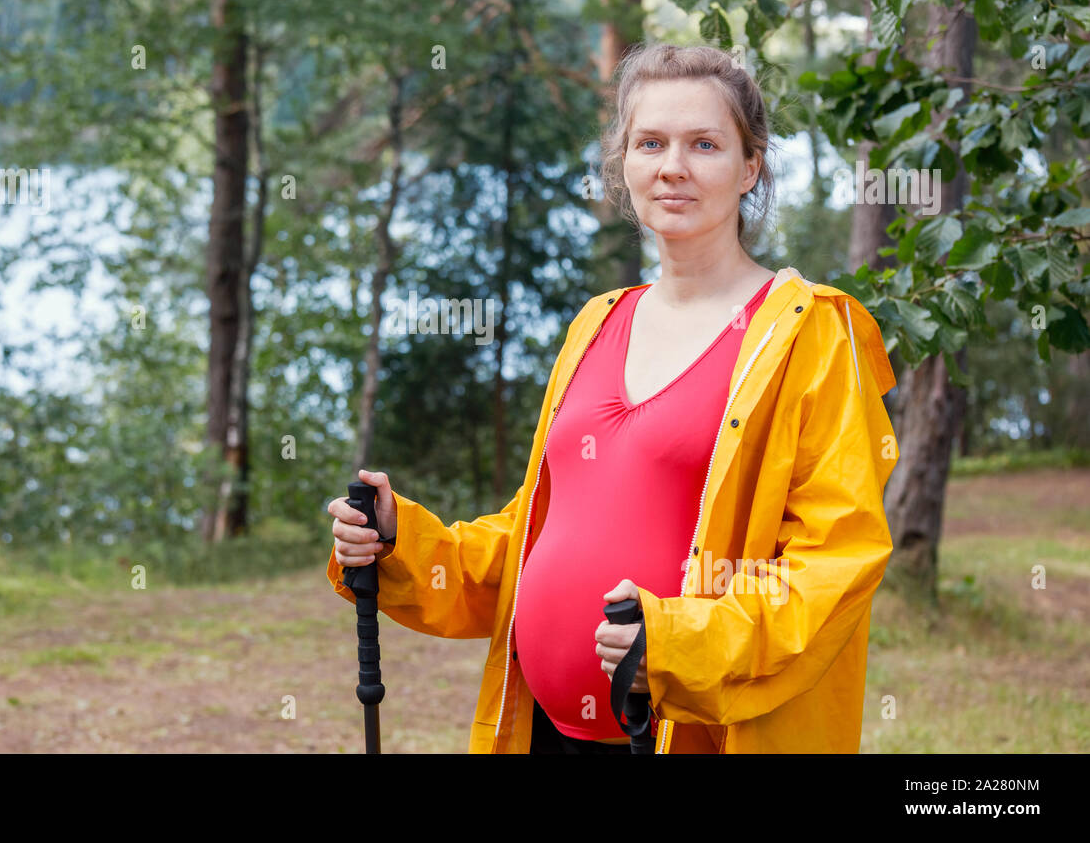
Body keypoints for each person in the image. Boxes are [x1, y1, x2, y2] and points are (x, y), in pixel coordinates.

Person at [326, 43, 899, 753]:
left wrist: (674, 644)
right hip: (540, 729)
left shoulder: (808, 333)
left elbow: (834, 567)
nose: (673, 167)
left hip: (692, 734)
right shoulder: (598, 321)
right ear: (622, 163)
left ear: (751, 167)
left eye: (705, 144)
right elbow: (533, 536)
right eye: (650, 142)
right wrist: (398, 542)